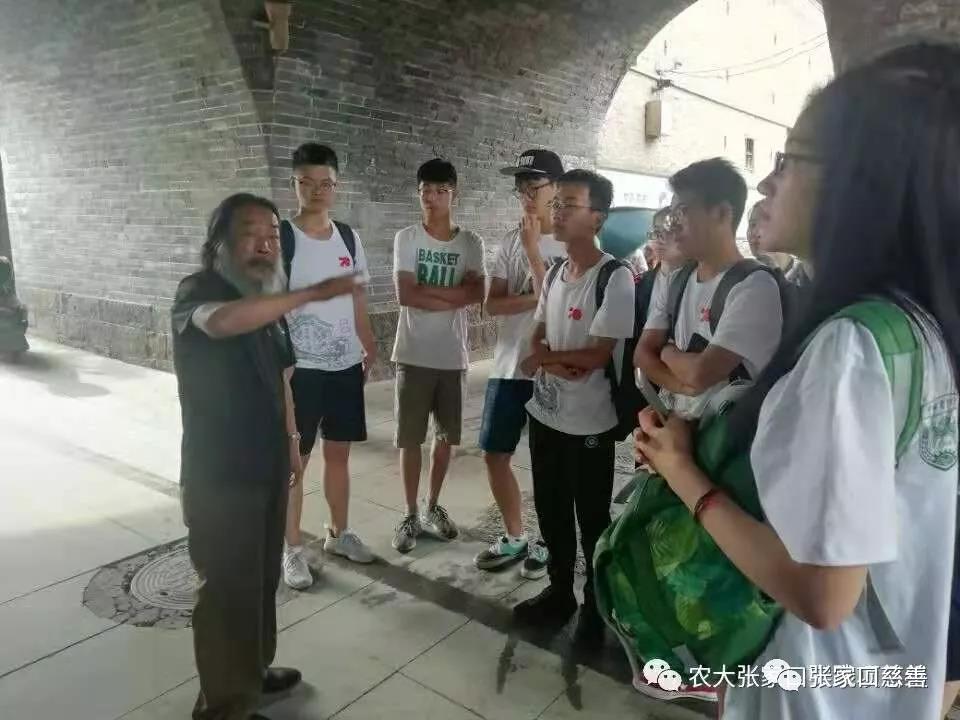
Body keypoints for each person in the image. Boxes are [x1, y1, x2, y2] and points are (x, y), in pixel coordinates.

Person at [636, 44, 960, 720]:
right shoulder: (919, 329)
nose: (766, 184)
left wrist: (681, 472)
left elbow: (821, 592)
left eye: (788, 160)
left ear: (859, 179)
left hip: (814, 693)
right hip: (883, 686)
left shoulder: (851, 346)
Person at [172, 193, 364, 720]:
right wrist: (313, 293)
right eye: (250, 233)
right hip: (220, 473)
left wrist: (292, 443)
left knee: (260, 580)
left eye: (273, 235)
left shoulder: (268, 301)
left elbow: (283, 379)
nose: (265, 244)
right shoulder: (199, 291)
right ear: (219, 243)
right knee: (226, 592)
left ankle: (252, 672)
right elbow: (220, 323)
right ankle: (223, 707)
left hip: (267, 464)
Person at [514, 169, 636, 651]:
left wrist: (543, 359)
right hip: (545, 414)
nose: (557, 212)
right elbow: (537, 334)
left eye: (568, 204)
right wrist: (548, 357)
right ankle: (560, 591)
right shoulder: (556, 273)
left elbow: (595, 357)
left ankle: (595, 607)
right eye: (556, 204)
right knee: (550, 509)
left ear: (597, 217)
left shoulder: (614, 277)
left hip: (590, 423)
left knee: (592, 517)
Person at [280, 143, 377, 590]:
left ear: (336, 186)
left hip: (343, 365)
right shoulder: (283, 239)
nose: (317, 191)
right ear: (295, 184)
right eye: (308, 183)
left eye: (326, 184)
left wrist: (367, 341)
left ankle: (338, 533)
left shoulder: (348, 238)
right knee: (295, 462)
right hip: (300, 370)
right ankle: (291, 549)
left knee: (339, 453)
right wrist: (280, 367)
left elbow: (357, 293)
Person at [474, 149, 566, 577]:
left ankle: (549, 540)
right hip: (510, 365)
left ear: (556, 189)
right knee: (494, 453)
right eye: (521, 189)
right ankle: (515, 535)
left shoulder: (573, 241)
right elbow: (493, 304)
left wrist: (534, 256)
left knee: (550, 464)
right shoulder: (510, 241)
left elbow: (566, 309)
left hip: (553, 370)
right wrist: (539, 294)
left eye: (534, 187)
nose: (527, 197)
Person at [635, 159, 783, 420]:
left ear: (722, 214)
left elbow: (699, 374)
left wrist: (666, 350)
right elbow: (642, 356)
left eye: (682, 212)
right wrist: (682, 387)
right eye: (672, 215)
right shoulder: (676, 280)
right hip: (676, 428)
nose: (673, 225)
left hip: (722, 437)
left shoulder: (754, 286)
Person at [391, 159, 485, 553]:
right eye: (426, 190)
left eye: (441, 190)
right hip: (412, 353)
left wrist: (429, 292)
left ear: (453, 194)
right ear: (419, 194)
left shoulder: (470, 243)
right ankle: (410, 513)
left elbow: (477, 293)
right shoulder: (407, 238)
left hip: (452, 356)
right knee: (410, 439)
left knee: (445, 439)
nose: (432, 198)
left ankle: (432, 506)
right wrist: (454, 296)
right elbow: (405, 294)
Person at [747, 202, 810, 287]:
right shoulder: (742, 279)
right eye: (752, 225)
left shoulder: (808, 276)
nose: (756, 232)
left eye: (768, 224)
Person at [0, 256, 28, 361]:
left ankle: (14, 345)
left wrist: (20, 308)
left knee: (19, 313)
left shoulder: (6, 290)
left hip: (9, 319)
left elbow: (13, 301)